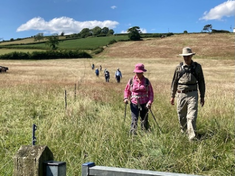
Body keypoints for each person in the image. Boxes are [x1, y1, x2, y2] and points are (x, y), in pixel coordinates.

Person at [170, 47, 205, 141]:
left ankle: (192, 138)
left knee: (191, 116)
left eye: (188, 56)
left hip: (193, 93)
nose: (186, 58)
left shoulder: (197, 67)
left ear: (191, 56)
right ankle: (184, 131)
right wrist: (172, 96)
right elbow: (174, 82)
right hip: (181, 94)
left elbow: (201, 82)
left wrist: (202, 96)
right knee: (181, 115)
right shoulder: (178, 68)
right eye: (185, 56)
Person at [123, 63, 154, 134]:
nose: (138, 74)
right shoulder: (131, 80)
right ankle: (133, 135)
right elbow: (126, 90)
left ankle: (145, 134)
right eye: (137, 72)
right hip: (134, 103)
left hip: (144, 104)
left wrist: (149, 102)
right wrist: (125, 98)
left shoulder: (146, 81)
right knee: (134, 120)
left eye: (139, 73)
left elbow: (151, 93)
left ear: (143, 72)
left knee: (144, 120)